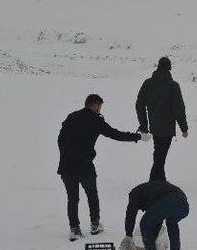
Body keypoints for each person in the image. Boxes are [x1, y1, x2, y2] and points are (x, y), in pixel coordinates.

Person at [57, 94, 151, 241]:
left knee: (72, 198)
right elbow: (115, 134)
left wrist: (66, 155)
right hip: (84, 166)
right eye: (100, 106)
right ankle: (95, 224)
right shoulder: (96, 120)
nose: (100, 109)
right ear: (94, 105)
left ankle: (74, 229)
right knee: (92, 195)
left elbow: (60, 139)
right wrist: (138, 137)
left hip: (66, 166)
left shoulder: (71, 117)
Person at [135, 56, 188, 182]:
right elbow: (179, 109)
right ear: (169, 68)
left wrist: (144, 125)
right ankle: (156, 182)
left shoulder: (148, 83)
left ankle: (158, 180)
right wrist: (184, 128)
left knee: (159, 154)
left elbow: (139, 105)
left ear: (158, 67)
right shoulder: (173, 86)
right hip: (167, 128)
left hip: (154, 127)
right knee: (160, 155)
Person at [119, 180, 189, 250]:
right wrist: (151, 242)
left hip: (169, 199)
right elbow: (156, 222)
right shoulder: (151, 192)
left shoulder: (135, 194)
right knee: (172, 223)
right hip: (183, 205)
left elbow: (131, 213)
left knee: (144, 224)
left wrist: (128, 234)